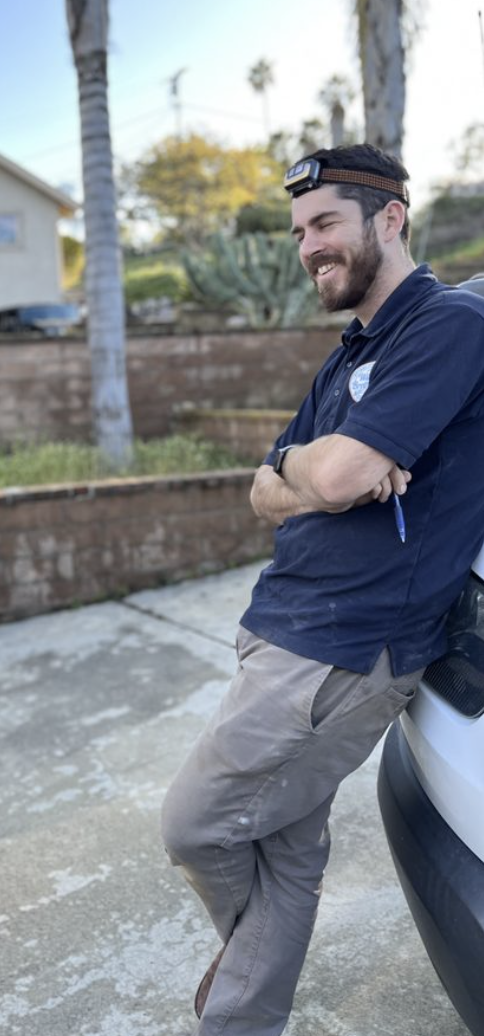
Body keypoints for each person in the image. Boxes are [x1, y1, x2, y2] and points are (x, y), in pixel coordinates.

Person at [160, 144, 484, 1035]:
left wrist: (314, 470)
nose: (308, 247)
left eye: (326, 223)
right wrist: (310, 464)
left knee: (195, 825)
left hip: (344, 649)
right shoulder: (351, 351)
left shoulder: (448, 327)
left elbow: (328, 484)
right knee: (286, 848)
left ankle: (241, 965)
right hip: (282, 625)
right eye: (300, 230)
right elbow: (266, 490)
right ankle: (245, 1015)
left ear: (390, 218)